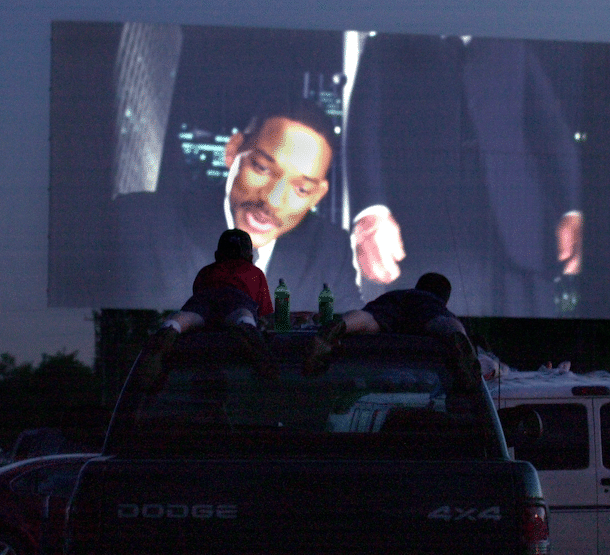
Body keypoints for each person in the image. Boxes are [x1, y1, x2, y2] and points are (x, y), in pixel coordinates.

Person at [345, 34, 584, 317]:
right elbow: (363, 132)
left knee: (529, 347)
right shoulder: (386, 44)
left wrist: (572, 211)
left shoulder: (512, 46)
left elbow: (552, 133)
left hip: (521, 235)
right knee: (434, 338)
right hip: (428, 234)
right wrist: (371, 212)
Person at [113, 98, 361, 313]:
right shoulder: (140, 222)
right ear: (232, 150)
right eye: (262, 168)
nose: (273, 201)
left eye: (301, 189)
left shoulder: (331, 251)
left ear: (317, 195)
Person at [135, 229, 275, 387]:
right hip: (236, 300)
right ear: (250, 257)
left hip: (204, 299)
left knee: (180, 319)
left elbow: (198, 305)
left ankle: (169, 330)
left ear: (217, 255)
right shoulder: (255, 273)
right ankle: (249, 336)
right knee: (244, 317)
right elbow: (265, 315)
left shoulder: (205, 272)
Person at [304, 272, 481, 388]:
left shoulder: (400, 294)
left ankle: (340, 327)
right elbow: (441, 318)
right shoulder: (431, 301)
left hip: (390, 303)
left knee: (370, 319)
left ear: (418, 285)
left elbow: (372, 315)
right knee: (441, 322)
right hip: (427, 309)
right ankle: (458, 339)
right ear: (445, 299)